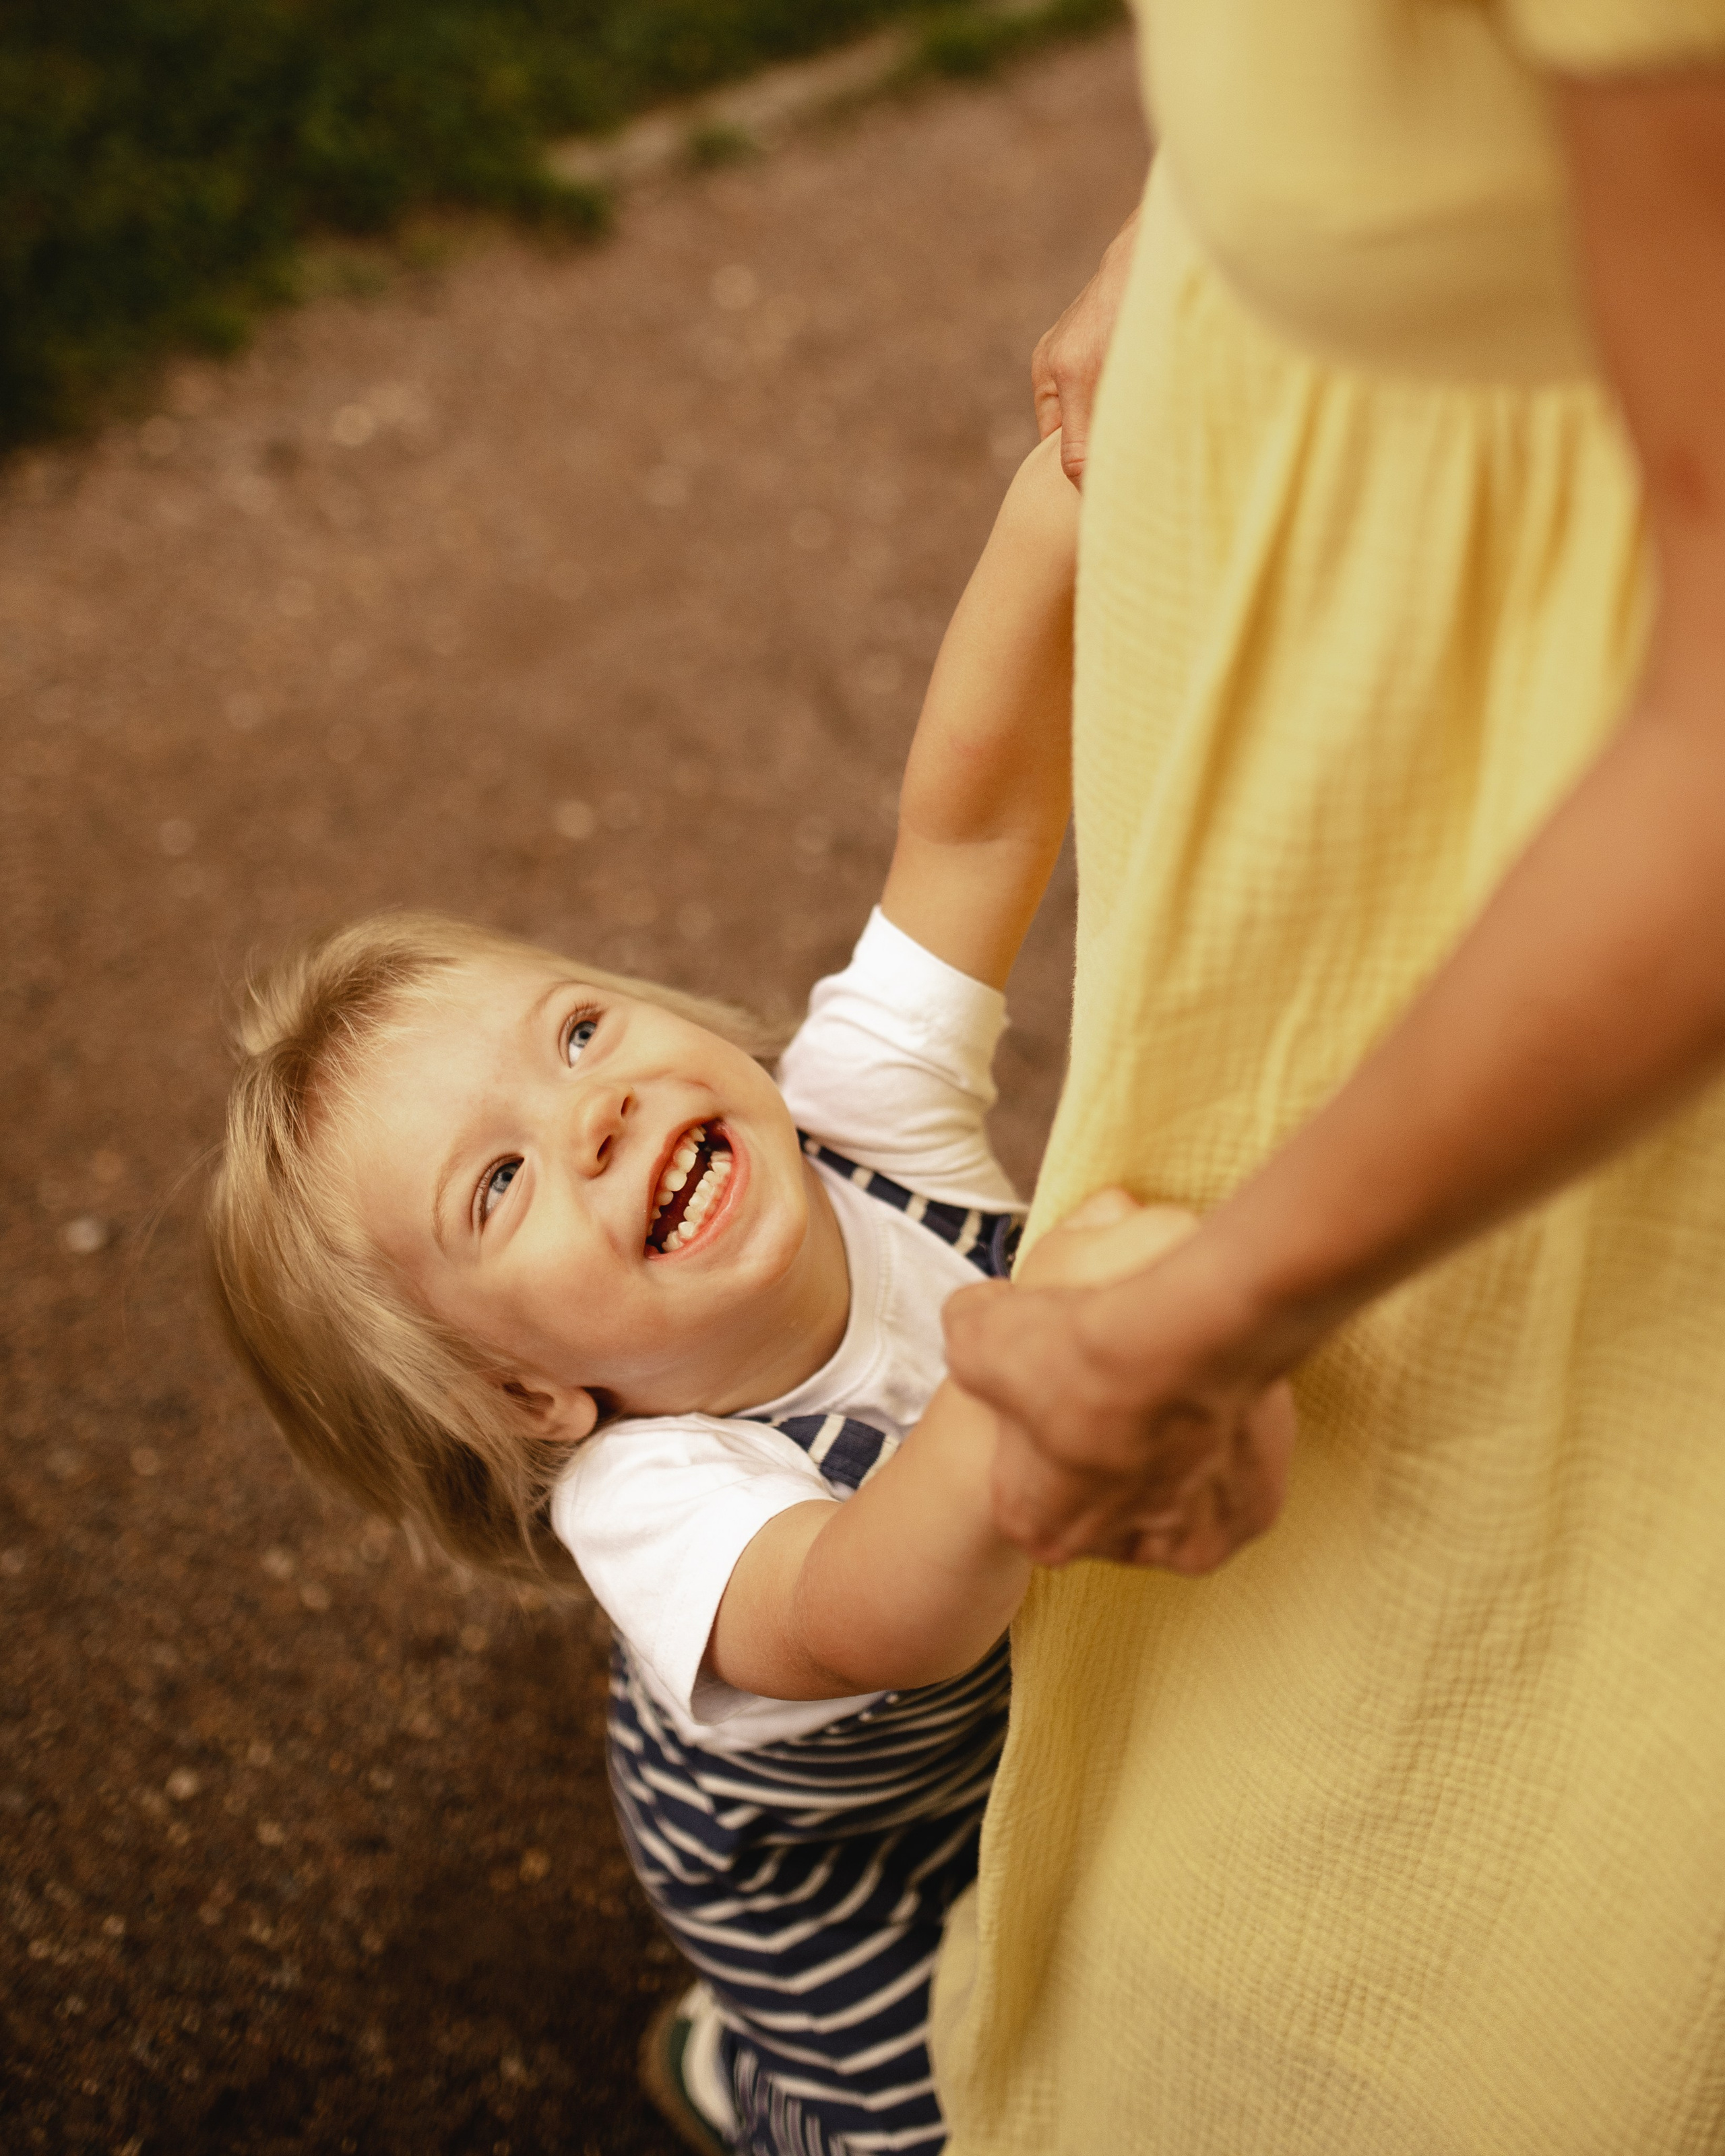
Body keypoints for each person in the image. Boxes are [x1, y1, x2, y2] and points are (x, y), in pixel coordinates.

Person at [205, 437, 1216, 2156]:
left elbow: (970, 817)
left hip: (1021, 1733)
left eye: (577, 1030)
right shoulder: (649, 1503)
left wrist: (1064, 483)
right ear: (521, 1391)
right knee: (947, 2129)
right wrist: (1023, 1371)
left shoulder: (856, 1122)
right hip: (841, 1878)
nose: (591, 1112)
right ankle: (742, 2075)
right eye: (498, 1183)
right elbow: (872, 1611)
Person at [926, 7, 1725, 2154]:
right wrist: (1186, 203)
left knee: (1459, 1800)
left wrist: (1210, 1320)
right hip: (1407, 770)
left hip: (1570, 913)